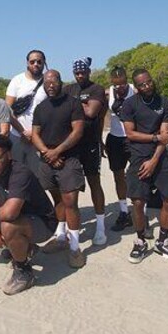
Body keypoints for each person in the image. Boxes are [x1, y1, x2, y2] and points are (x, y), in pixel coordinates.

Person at [0, 134, 57, 295]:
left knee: (8, 225)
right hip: (17, 221)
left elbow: (10, 212)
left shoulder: (20, 173)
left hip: (42, 223)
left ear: (8, 155)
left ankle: (23, 270)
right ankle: (25, 248)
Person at [120, 68, 168, 264]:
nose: (147, 86)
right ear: (136, 87)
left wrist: (155, 159)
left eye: (149, 82)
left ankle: (163, 242)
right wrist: (155, 137)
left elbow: (165, 135)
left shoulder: (164, 103)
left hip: (160, 156)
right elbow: (130, 133)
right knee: (138, 202)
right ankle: (140, 240)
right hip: (138, 157)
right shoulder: (130, 104)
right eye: (142, 84)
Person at [31, 70, 87, 268]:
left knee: (70, 201)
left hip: (69, 158)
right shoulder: (40, 107)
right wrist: (47, 153)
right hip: (47, 160)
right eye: (46, 83)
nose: (50, 85)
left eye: (53, 82)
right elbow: (35, 134)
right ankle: (61, 237)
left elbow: (78, 131)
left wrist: (58, 151)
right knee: (57, 199)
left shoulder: (72, 103)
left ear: (61, 82)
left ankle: (75, 247)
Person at [64, 57, 108, 245]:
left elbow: (91, 112)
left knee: (94, 182)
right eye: (77, 73)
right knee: (67, 185)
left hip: (90, 143)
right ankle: (65, 227)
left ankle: (100, 226)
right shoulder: (68, 89)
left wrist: (71, 105)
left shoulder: (96, 89)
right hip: (72, 144)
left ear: (89, 72)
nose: (80, 75)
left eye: (83, 72)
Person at [5, 50, 48, 172]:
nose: (36, 64)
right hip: (17, 136)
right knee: (16, 175)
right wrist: (23, 131)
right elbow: (7, 110)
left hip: (40, 138)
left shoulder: (49, 82)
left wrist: (34, 134)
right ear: (27, 63)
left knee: (38, 177)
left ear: (44, 63)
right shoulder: (17, 81)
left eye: (39, 62)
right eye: (32, 61)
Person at [105, 66, 135, 232]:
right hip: (115, 138)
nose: (120, 87)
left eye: (122, 83)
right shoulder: (109, 92)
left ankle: (141, 213)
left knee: (139, 174)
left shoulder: (135, 90)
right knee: (118, 175)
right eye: (116, 84)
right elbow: (101, 112)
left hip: (133, 138)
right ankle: (124, 212)